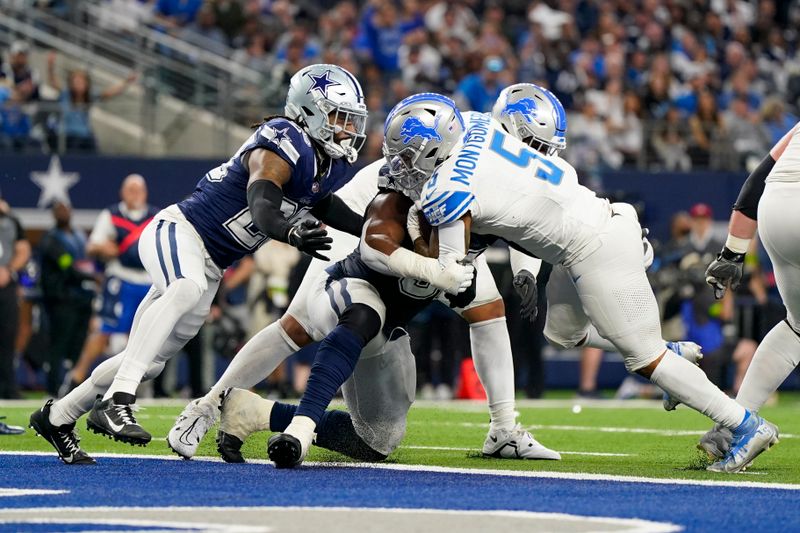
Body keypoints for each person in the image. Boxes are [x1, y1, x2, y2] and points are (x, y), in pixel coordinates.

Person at [168, 95, 557, 465]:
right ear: (514, 132)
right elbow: (386, 234)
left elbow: (524, 219)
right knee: (300, 325)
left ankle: (504, 428)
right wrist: (438, 270)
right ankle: (208, 405)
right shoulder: (467, 153)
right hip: (363, 220)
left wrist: (525, 270)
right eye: (538, 145)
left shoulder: (499, 163)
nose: (543, 157)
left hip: (439, 241)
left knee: (488, 311)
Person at [415, 83, 777, 474]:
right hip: (595, 230)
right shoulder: (477, 127)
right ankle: (670, 354)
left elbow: (452, 275)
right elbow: (520, 212)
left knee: (645, 359)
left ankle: (745, 424)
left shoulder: (450, 181)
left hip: (595, 247)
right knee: (563, 333)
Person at [29, 63, 368, 465]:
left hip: (210, 265)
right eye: (337, 116)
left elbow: (325, 203)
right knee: (183, 290)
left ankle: (58, 415)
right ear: (308, 111)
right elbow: (262, 205)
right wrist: (292, 234)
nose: (346, 128)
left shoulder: (325, 163)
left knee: (150, 360)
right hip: (180, 232)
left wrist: (371, 230)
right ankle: (118, 401)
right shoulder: (282, 140)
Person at [699, 120, 800, 463]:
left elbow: (759, 177)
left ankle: (734, 424)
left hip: (775, 207)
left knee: (797, 327)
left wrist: (732, 252)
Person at [59, 174, 159, 396]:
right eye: (130, 190)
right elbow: (92, 247)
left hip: (148, 281)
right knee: (105, 330)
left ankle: (140, 387)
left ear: (145, 193)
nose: (134, 194)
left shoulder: (155, 217)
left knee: (148, 335)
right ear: (122, 192)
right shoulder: (112, 215)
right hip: (120, 279)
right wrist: (103, 249)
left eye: (138, 190)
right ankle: (76, 377)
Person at [38, 202, 96, 397]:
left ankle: (73, 385)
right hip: (62, 299)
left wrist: (91, 276)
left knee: (78, 344)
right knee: (59, 344)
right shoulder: (51, 240)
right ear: (54, 215)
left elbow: (87, 261)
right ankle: (53, 388)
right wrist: (92, 277)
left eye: (65, 209)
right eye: (59, 211)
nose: (63, 213)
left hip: (83, 298)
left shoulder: (79, 236)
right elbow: (67, 265)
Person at [0, 194, 31, 399]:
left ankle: (8, 386)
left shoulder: (10, 219)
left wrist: (8, 269)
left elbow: (23, 249)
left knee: (7, 335)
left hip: (5, 283)